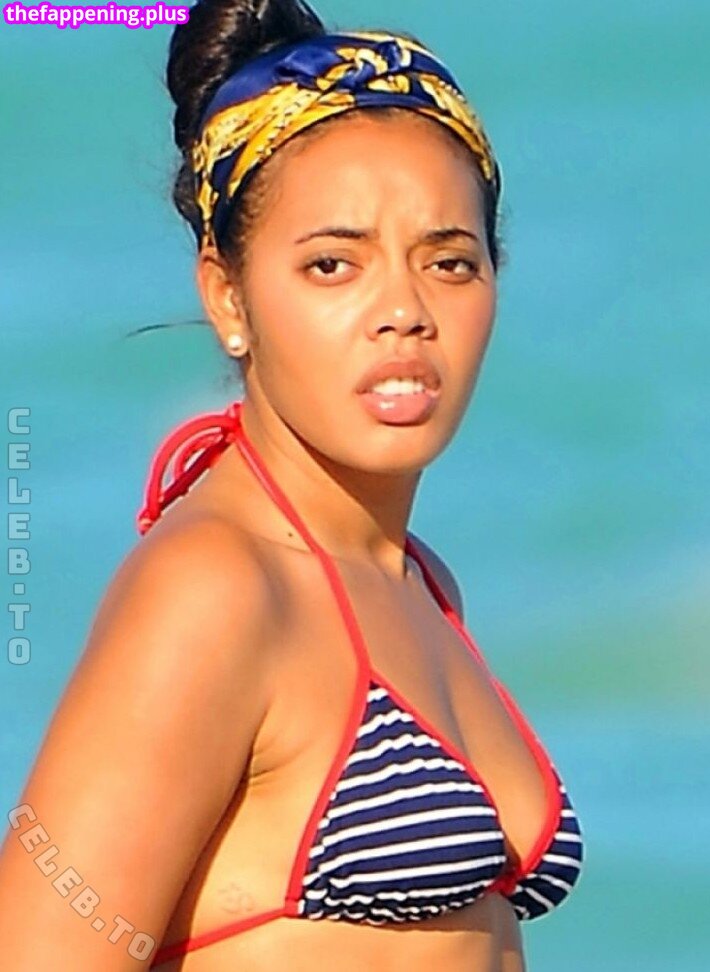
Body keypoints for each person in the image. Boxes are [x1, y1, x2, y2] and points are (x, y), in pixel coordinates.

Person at [0, 1, 584, 969]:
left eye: (449, 262)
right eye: (331, 265)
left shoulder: (416, 580)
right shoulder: (215, 588)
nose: (403, 311)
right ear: (227, 295)